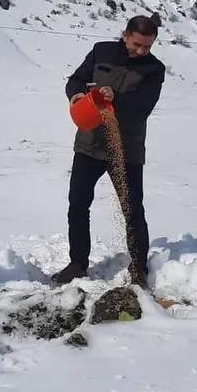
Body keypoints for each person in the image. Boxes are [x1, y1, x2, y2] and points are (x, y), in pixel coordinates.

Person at [52, 14, 165, 288]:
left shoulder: (154, 69)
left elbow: (142, 107)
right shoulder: (101, 51)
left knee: (132, 210)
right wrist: (77, 95)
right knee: (78, 204)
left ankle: (138, 269)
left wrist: (116, 99)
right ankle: (77, 264)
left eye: (147, 46)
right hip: (89, 144)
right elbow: (76, 80)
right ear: (125, 35)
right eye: (137, 44)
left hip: (126, 151)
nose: (142, 51)